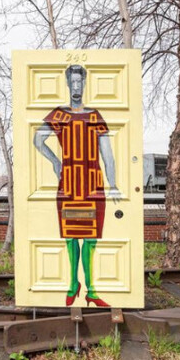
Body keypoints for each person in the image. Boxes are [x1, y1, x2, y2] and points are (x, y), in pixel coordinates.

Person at [34, 65, 122, 307]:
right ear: (67, 83)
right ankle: (74, 284)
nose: (75, 86)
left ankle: (92, 290)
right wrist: (55, 161)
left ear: (84, 84)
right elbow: (37, 140)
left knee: (91, 238)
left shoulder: (94, 116)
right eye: (72, 82)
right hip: (69, 185)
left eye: (79, 82)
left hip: (93, 185)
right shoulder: (59, 115)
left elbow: (108, 154)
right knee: (71, 238)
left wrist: (113, 184)